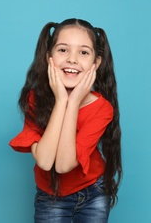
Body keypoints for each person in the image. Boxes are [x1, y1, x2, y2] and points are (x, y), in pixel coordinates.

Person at [9, 18, 122, 223]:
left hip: (93, 194)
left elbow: (63, 165)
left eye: (84, 52)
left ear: (96, 63)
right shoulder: (34, 99)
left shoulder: (102, 108)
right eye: (63, 50)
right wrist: (62, 99)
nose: (72, 59)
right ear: (48, 57)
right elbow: (45, 161)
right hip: (50, 197)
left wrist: (74, 100)